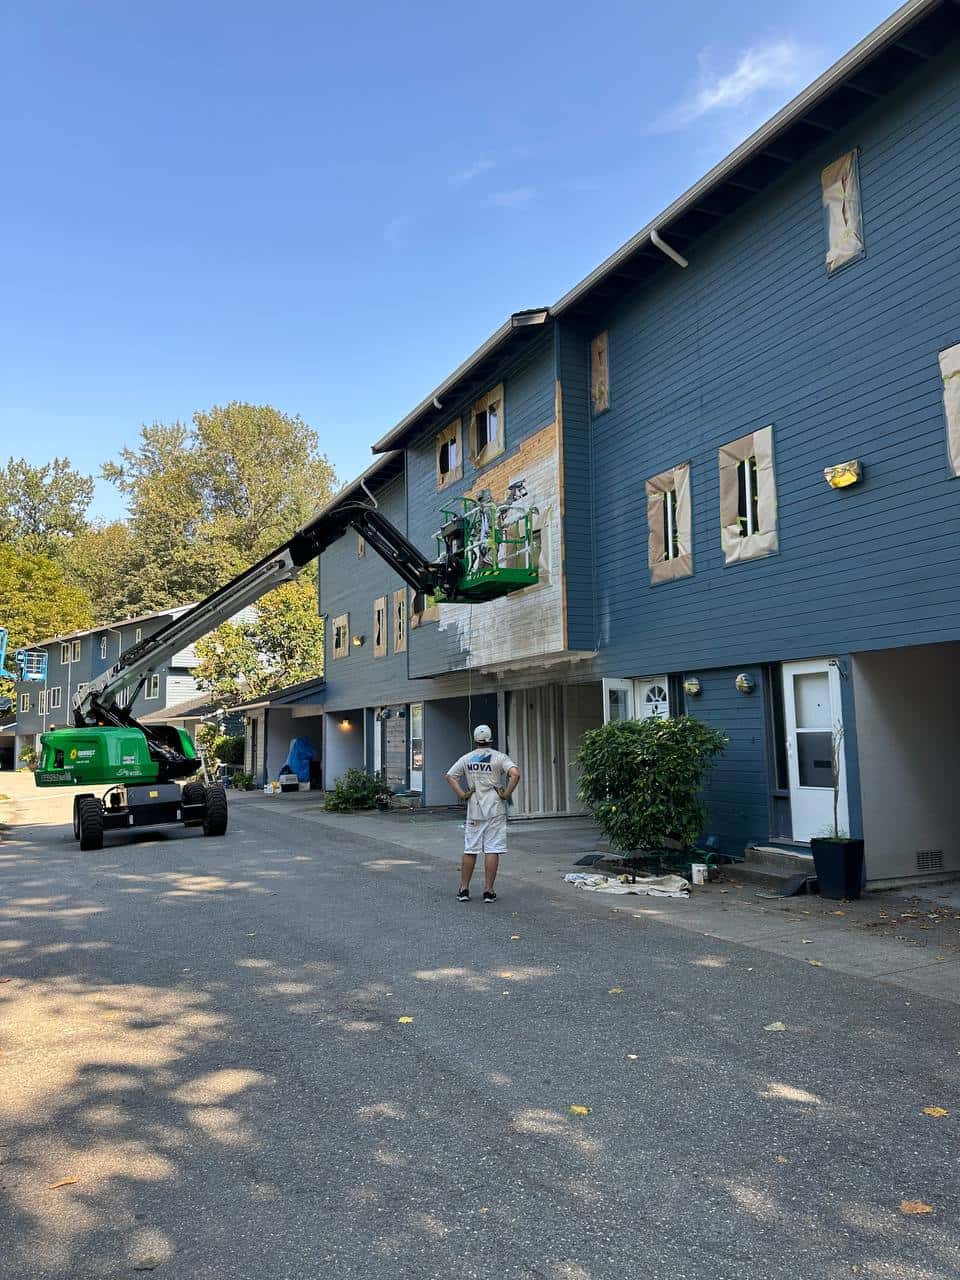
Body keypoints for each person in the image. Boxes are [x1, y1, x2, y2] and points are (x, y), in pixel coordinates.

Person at [446, 724, 520, 903]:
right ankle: (488, 891)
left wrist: (463, 794)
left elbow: (450, 776)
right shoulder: (499, 757)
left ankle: (464, 890)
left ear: (475, 740)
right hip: (495, 809)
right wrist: (506, 794)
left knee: (470, 849)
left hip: (474, 809)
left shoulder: (467, 758)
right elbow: (515, 774)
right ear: (491, 739)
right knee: (492, 849)